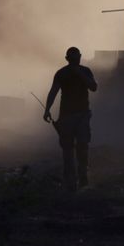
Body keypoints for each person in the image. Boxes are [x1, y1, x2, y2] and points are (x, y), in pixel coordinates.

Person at [43, 47, 97, 191]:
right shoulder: (61, 74)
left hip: (82, 115)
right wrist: (47, 109)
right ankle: (70, 182)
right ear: (67, 59)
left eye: (76, 58)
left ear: (80, 57)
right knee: (67, 150)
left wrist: (79, 73)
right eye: (72, 59)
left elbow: (93, 87)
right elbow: (53, 91)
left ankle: (83, 177)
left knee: (82, 146)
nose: (75, 61)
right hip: (66, 116)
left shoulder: (85, 71)